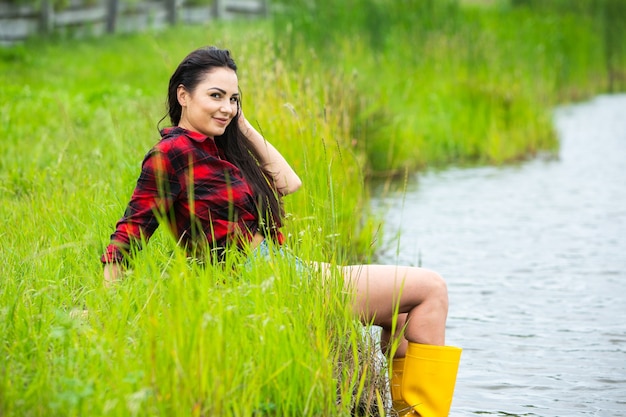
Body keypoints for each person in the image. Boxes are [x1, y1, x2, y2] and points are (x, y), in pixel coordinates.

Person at [101, 46, 462, 417]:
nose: (226, 107)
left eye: (233, 98)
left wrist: (241, 125)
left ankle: (400, 410)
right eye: (215, 96)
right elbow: (129, 233)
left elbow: (289, 182)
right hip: (266, 279)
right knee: (431, 288)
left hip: (282, 270)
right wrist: (108, 308)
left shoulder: (217, 149)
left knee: (402, 318)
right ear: (183, 95)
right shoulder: (171, 152)